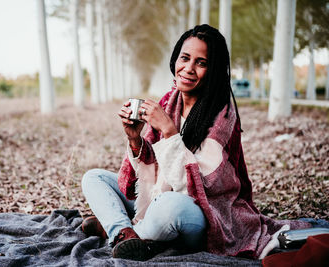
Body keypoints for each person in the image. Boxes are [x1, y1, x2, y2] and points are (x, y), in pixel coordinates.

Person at [81, 24, 311, 261]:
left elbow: (200, 185)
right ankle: (124, 233)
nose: (188, 68)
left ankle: (116, 228)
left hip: (202, 213)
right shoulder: (169, 101)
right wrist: (134, 137)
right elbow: (149, 166)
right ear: (175, 59)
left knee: (170, 205)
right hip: (156, 198)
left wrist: (169, 132)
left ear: (213, 70)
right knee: (94, 178)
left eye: (201, 63)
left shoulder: (222, 114)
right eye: (185, 58)